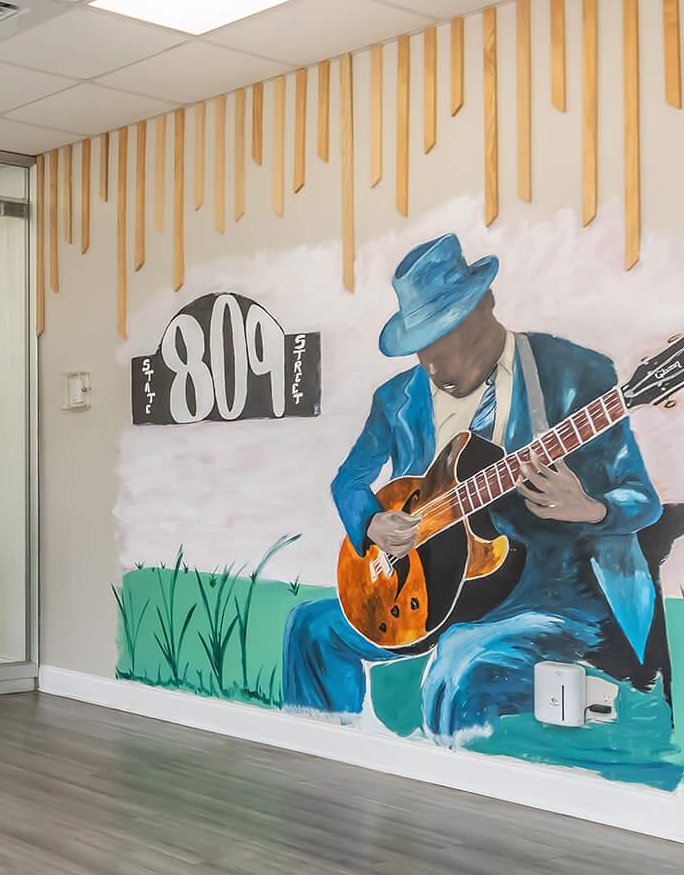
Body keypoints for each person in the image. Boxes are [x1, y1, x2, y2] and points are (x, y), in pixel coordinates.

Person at [281, 234, 662, 737]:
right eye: (421, 348)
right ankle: (327, 766)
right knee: (309, 628)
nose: (433, 366)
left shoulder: (573, 374)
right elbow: (349, 480)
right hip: (422, 591)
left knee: (458, 665)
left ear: (486, 304)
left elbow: (642, 498)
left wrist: (589, 508)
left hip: (542, 595)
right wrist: (372, 522)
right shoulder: (397, 398)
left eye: (446, 339)